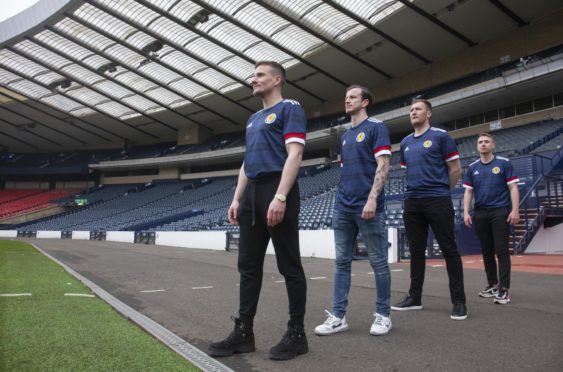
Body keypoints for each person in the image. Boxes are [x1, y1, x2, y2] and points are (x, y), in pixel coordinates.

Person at [207, 61, 308, 360]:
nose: (254, 79)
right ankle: (244, 332)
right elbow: (246, 163)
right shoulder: (252, 119)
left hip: (276, 187)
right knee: (248, 266)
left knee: (289, 265)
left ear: (277, 80)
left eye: (260, 75)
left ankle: (297, 333)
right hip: (251, 194)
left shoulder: (291, 108)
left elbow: (296, 152)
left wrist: (280, 195)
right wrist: (237, 198)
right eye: (253, 75)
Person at [314, 85, 392, 336]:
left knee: (378, 262)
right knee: (342, 263)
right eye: (346, 97)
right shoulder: (346, 136)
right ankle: (338, 316)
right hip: (343, 207)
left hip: (368, 206)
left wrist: (371, 199)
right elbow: (347, 171)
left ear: (365, 102)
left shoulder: (376, 128)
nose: (347, 101)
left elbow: (383, 164)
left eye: (353, 97)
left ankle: (383, 315)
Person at [391, 99, 468, 320]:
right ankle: (414, 298)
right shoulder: (405, 142)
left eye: (418, 109)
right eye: (411, 110)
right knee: (415, 252)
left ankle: (459, 301)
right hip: (412, 202)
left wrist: (443, 191)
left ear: (429, 114)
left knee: (449, 250)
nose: (413, 112)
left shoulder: (441, 136)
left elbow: (455, 169)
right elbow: (407, 171)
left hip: (437, 200)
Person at [463, 133, 520, 304]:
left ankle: (503, 289)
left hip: (499, 211)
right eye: (480, 142)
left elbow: (513, 188)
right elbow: (468, 192)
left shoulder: (504, 163)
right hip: (480, 213)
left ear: (493, 145)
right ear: (477, 146)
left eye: (487, 141)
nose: (483, 144)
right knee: (487, 252)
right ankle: (492, 285)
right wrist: (466, 212)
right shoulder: (472, 167)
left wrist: (515, 210)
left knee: (501, 250)